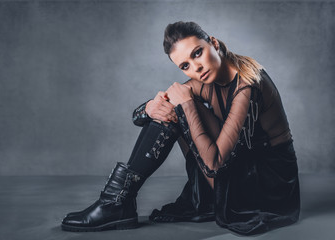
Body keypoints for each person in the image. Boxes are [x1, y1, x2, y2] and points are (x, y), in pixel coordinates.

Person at [61, 21, 300, 235]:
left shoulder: (247, 86)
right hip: (242, 167)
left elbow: (213, 163)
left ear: (213, 43)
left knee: (184, 106)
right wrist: (150, 108)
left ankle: (115, 203)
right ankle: (116, 201)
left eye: (198, 53)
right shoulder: (207, 80)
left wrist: (185, 103)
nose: (196, 68)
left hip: (268, 187)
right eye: (185, 65)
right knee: (176, 107)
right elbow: (141, 116)